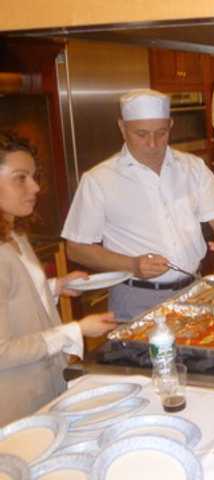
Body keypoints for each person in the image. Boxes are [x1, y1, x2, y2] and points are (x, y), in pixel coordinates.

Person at [62, 89, 214, 320]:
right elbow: (76, 248)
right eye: (141, 134)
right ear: (122, 128)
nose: (153, 143)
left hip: (194, 290)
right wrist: (132, 264)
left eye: (161, 133)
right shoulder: (98, 180)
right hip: (136, 299)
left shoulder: (192, 167)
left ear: (170, 125)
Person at [0, 132, 117, 425]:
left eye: (33, 176)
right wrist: (75, 330)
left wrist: (56, 286)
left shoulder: (13, 234)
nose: (36, 187)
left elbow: (14, 295)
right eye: (21, 178)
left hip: (43, 382)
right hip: (15, 400)